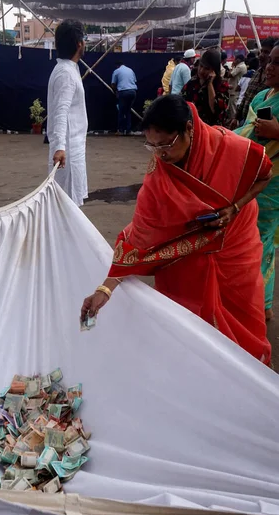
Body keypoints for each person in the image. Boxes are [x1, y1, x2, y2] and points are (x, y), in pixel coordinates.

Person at [81, 95, 273, 365]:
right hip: (189, 260)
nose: (160, 154)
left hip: (235, 246)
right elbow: (141, 234)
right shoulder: (159, 175)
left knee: (243, 319)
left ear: (188, 129)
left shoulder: (229, 146)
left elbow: (264, 174)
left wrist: (235, 207)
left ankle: (246, 376)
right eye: (153, 146)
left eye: (167, 144)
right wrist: (106, 288)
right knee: (187, 328)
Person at [234, 41, 279, 321]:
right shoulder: (263, 94)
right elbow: (245, 131)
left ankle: (258, 305)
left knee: (260, 240)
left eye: (278, 63)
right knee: (257, 241)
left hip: (273, 185)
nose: (270, 66)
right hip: (250, 176)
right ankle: (262, 303)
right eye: (270, 61)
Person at [47, 19, 88, 207]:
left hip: (73, 147)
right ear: (79, 43)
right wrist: (60, 147)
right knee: (67, 206)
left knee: (70, 205)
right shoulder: (66, 73)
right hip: (68, 151)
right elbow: (60, 111)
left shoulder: (69, 69)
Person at [232, 37, 276, 129]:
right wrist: (236, 117)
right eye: (261, 51)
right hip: (244, 121)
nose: (261, 55)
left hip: (259, 127)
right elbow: (246, 96)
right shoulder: (257, 73)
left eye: (266, 52)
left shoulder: (274, 82)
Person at [183, 49, 229, 126]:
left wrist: (209, 84)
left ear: (214, 70)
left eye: (207, 68)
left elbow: (215, 110)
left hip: (211, 130)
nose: (201, 71)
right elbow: (183, 102)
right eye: (201, 66)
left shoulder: (221, 85)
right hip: (192, 128)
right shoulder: (192, 82)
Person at [111, 61, 137, 135]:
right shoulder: (130, 70)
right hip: (133, 92)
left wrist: (115, 91)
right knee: (128, 111)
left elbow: (113, 84)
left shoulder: (116, 71)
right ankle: (128, 130)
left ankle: (120, 130)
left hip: (123, 92)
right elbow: (134, 81)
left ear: (117, 66)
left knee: (121, 112)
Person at [228, 54, 247, 119]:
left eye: (235, 59)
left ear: (238, 60)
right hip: (236, 89)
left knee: (233, 109)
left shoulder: (240, 67)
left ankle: (234, 123)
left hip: (234, 90)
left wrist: (232, 66)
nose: (234, 61)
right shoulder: (242, 66)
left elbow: (230, 75)